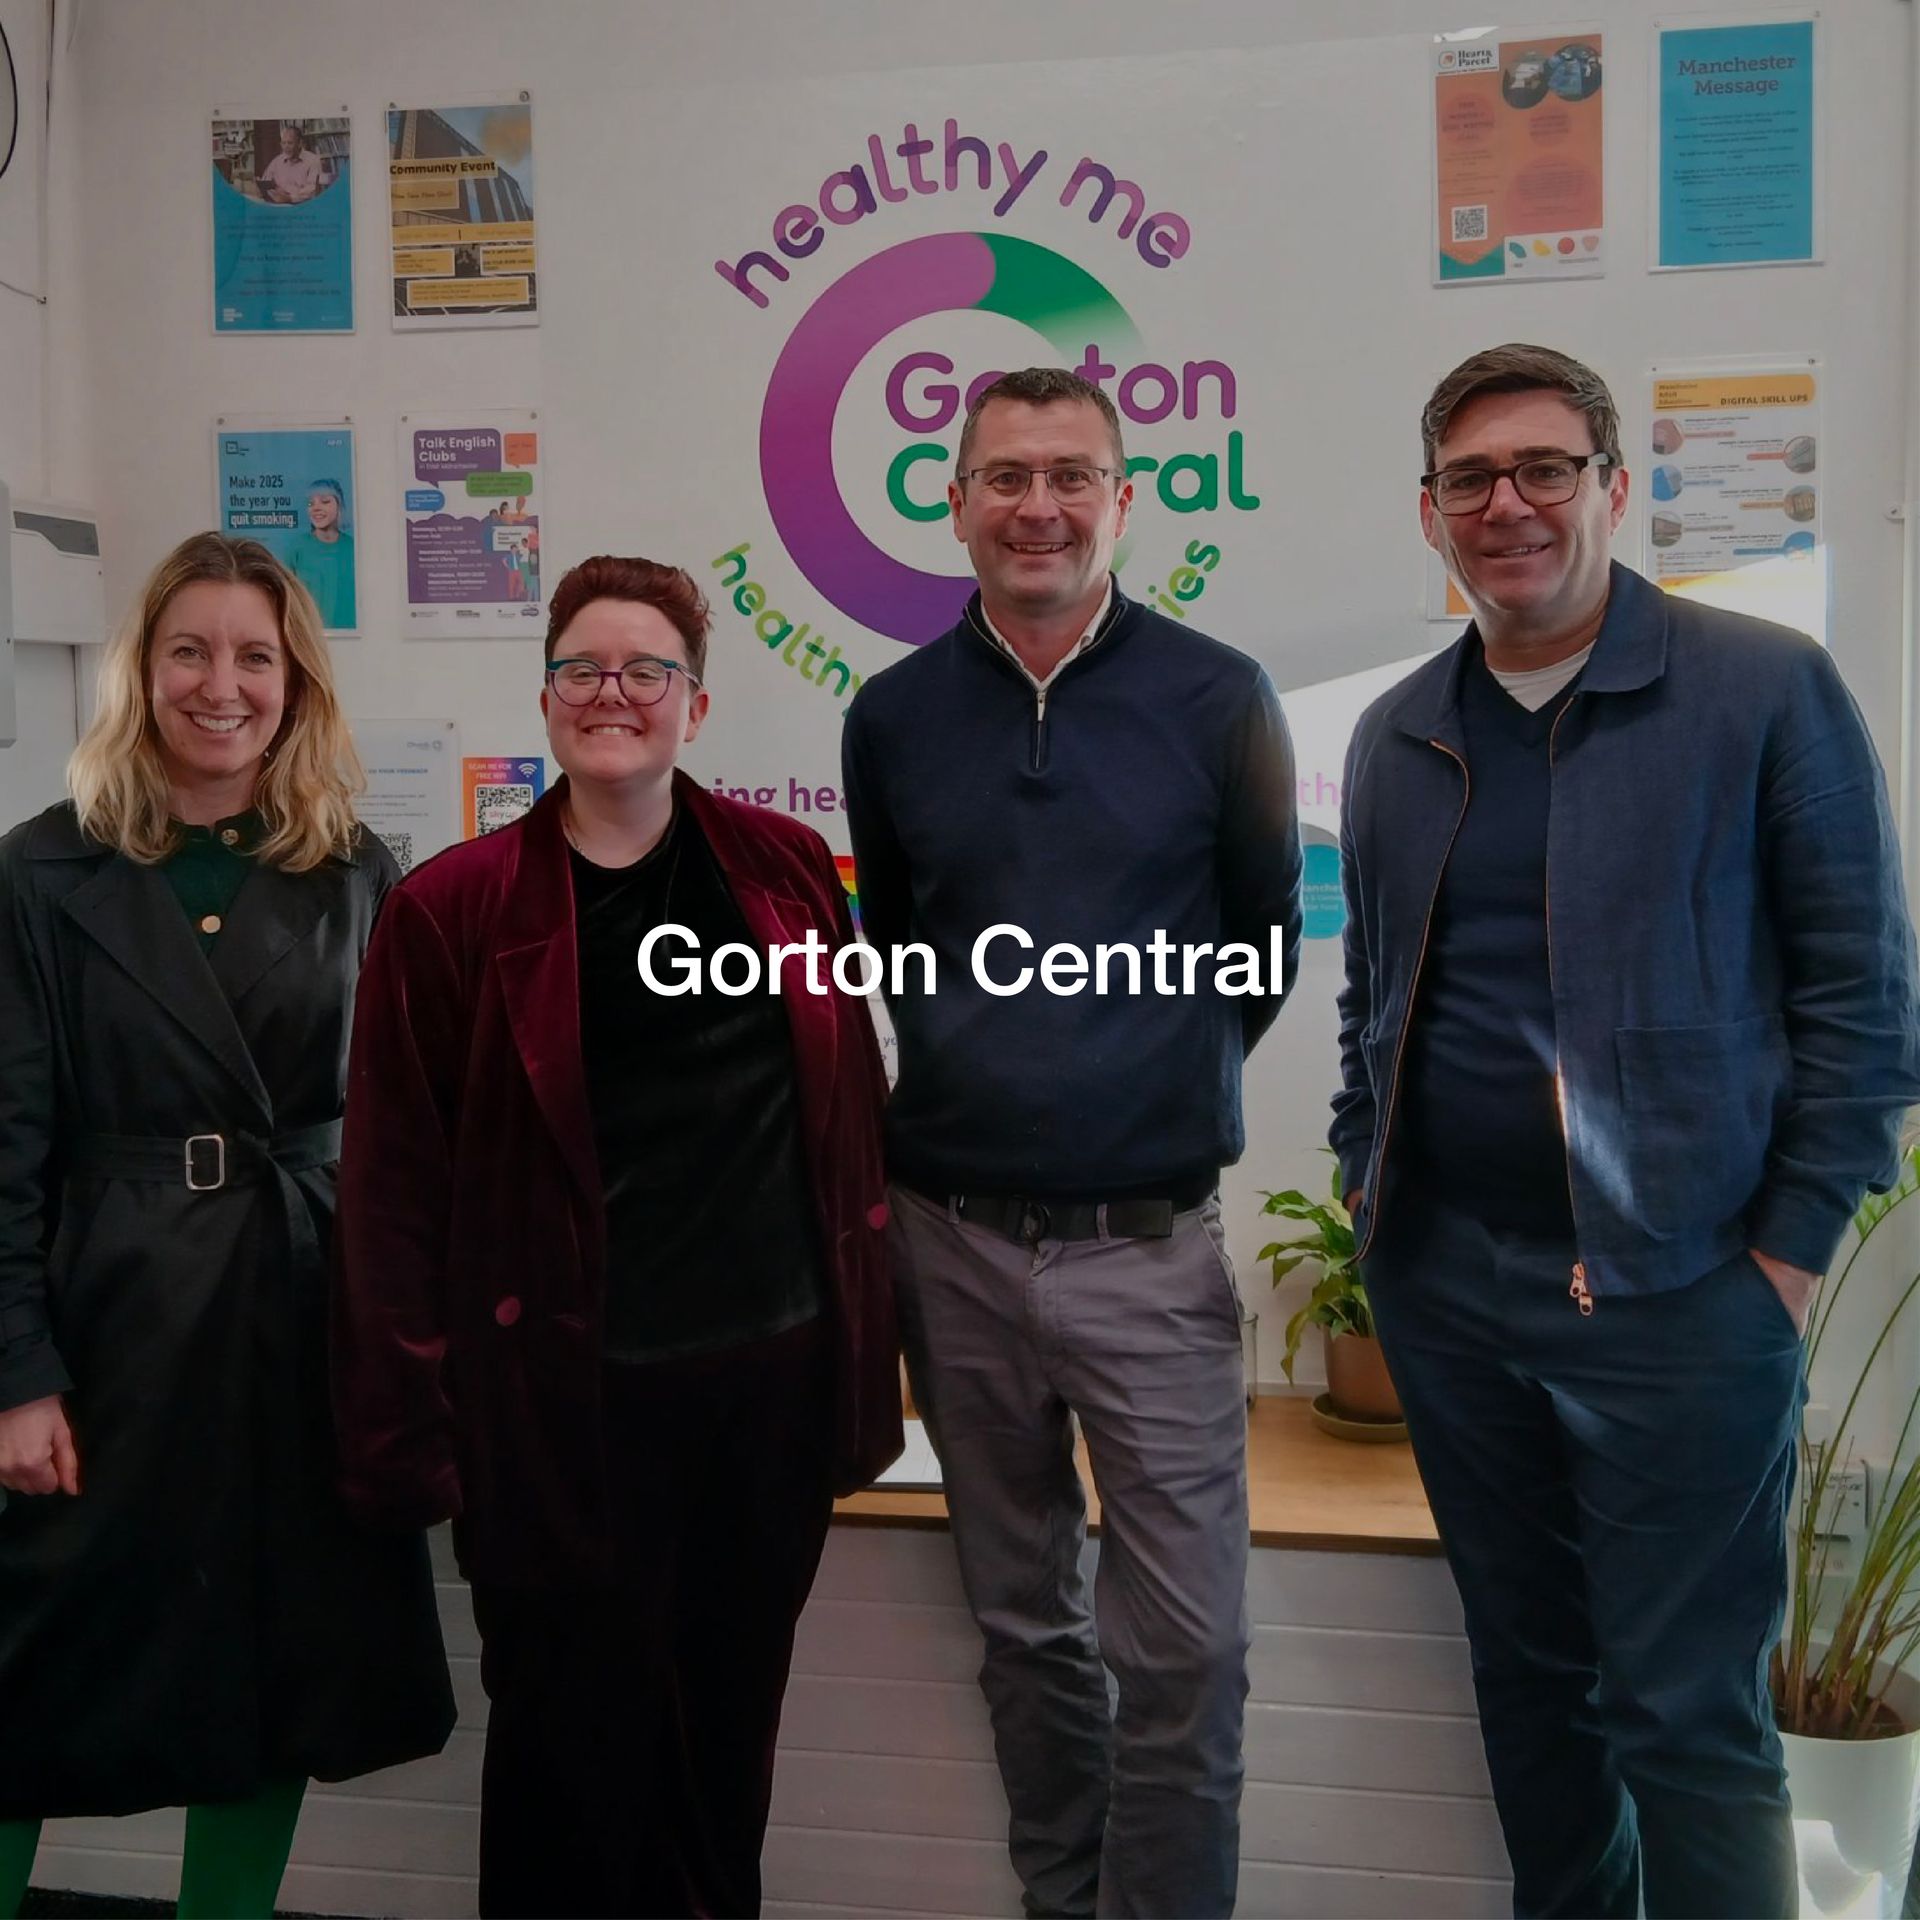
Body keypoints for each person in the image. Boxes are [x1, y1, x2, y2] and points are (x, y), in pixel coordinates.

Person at [1333, 342, 1920, 1919]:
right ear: (1431, 514)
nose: (1507, 503)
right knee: (1532, 1691)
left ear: (1611, 487)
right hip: (1451, 1293)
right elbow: (1373, 1000)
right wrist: (1363, 1189)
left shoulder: (1760, 689)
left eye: (1541, 469)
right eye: (1471, 479)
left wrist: (1787, 1257)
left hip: (1685, 1298)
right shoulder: (1397, 733)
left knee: (1684, 1713)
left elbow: (1865, 1004)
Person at [331, 554, 900, 1919]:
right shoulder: (453, 912)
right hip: (562, 1413)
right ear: (545, 697)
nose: (615, 692)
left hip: (764, 1396)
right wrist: (416, 1433)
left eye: (648, 670)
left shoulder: (781, 872)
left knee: (722, 1749)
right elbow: (392, 1191)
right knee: (566, 1765)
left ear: (694, 709)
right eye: (586, 667)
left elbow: (843, 1118)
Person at [842, 367, 1303, 1919]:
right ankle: (1066, 1900)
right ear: (955, 497)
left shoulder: (1219, 695)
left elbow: (1261, 938)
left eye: (1071, 475)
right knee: (1027, 1627)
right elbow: (898, 938)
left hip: (1149, 1245)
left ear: (1126, 497)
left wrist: (1135, 1080)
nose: (1037, 504)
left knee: (1189, 1650)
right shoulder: (893, 716)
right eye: (1004, 475)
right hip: (952, 1242)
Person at [0, 532, 454, 1920]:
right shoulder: (40, 871)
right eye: (189, 650)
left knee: (281, 1669)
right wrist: (16, 1372)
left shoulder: (353, 867)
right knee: (32, 1669)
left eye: (254, 655)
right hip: (110, 1317)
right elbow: (3, 1142)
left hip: (301, 1314)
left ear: (295, 681)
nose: (222, 684)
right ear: (143, 674)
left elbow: (406, 1131)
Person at [285, 478, 355, 632]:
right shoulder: (297, 548)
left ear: (340, 505)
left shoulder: (353, 548)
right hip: (309, 636)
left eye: (324, 501)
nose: (316, 508)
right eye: (311, 503)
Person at [257, 121, 328, 204]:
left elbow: (313, 190)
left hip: (303, 205)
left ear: (299, 143)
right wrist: (261, 186)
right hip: (279, 203)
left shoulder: (313, 160)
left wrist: (290, 198)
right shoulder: (277, 160)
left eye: (290, 143)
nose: (286, 147)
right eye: (283, 143)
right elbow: (266, 180)